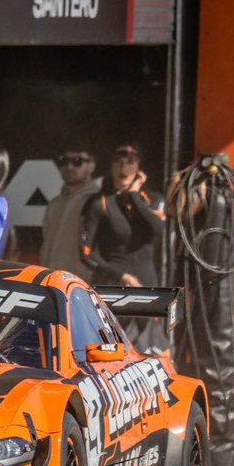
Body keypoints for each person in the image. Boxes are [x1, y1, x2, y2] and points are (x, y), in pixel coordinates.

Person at [79, 143, 167, 353]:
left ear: (139, 169)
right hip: (112, 288)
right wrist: (120, 275)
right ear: (110, 167)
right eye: (118, 163)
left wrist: (135, 196)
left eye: (130, 163)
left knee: (156, 356)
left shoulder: (152, 199)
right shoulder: (98, 202)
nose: (123, 169)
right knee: (113, 355)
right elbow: (85, 251)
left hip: (146, 291)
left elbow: (158, 228)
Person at [40, 149, 101, 278]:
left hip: (85, 288)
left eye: (77, 161)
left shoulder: (100, 201)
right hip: (51, 284)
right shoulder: (54, 204)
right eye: (64, 161)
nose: (69, 166)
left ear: (92, 166)